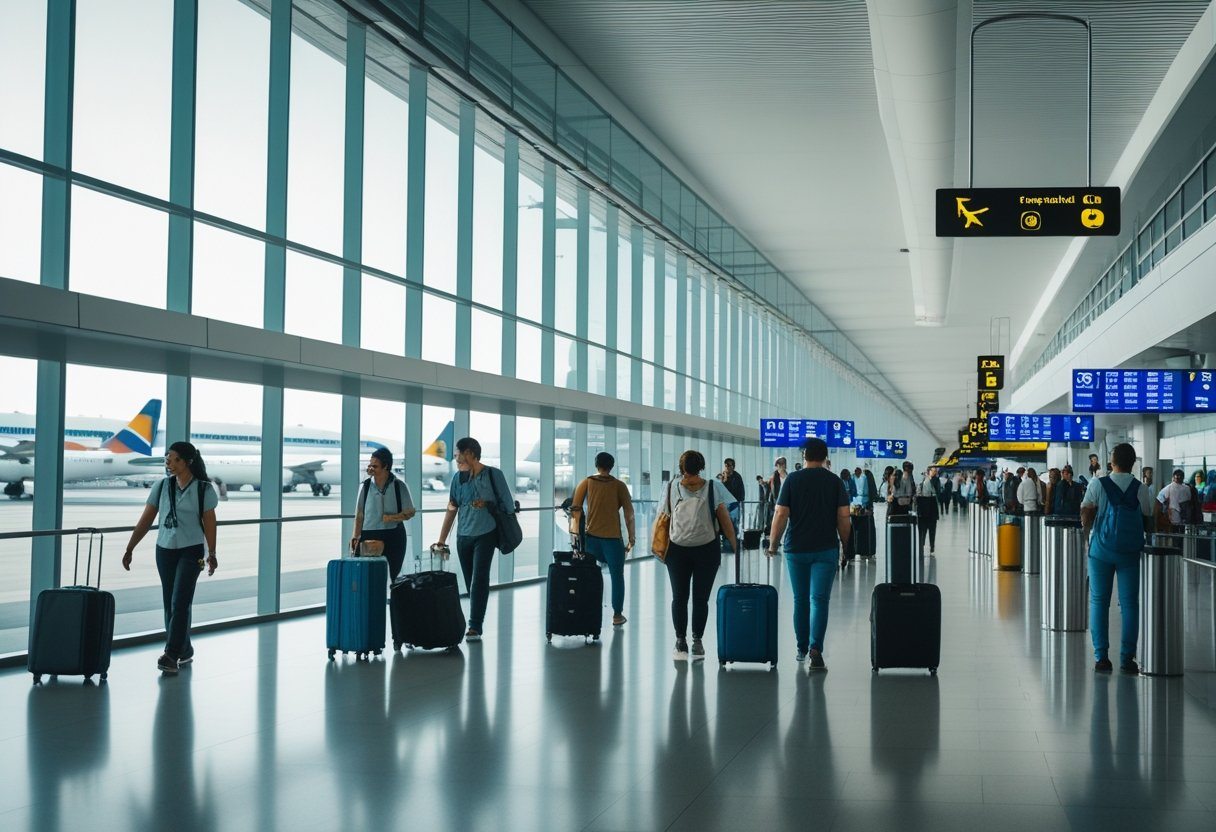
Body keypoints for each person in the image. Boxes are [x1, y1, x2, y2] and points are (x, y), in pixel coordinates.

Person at [122, 441, 219, 675]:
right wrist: (130, 547)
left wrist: (212, 553)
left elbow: (210, 523)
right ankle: (184, 650)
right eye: (167, 459)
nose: (169, 463)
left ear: (188, 462)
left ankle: (171, 654)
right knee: (170, 603)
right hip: (165, 549)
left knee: (180, 602)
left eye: (175, 459)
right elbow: (146, 519)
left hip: (192, 550)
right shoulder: (161, 486)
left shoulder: (203, 489)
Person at [766, 437, 850, 669]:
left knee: (800, 599)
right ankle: (816, 649)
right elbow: (843, 516)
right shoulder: (835, 482)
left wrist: (773, 545)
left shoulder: (792, 479)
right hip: (826, 548)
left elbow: (781, 514)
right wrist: (846, 544)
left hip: (796, 549)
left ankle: (801, 647)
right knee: (819, 600)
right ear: (825, 458)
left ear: (804, 456)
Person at [433, 437, 515, 642]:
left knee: (479, 578)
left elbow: (508, 506)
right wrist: (442, 540)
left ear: (470, 453)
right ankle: (475, 617)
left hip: (486, 534)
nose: (456, 459)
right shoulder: (457, 479)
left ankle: (475, 625)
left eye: (458, 454)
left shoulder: (493, 475)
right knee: (471, 582)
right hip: (463, 536)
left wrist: (487, 504)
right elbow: (452, 508)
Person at [1081, 443, 1151, 674]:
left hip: (1100, 551)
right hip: (1130, 553)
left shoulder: (1097, 484)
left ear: (1112, 461)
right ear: (1133, 464)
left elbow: (1086, 513)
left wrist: (1087, 535)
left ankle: (1102, 657)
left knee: (1099, 602)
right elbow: (1150, 516)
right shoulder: (1141, 489)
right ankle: (1127, 658)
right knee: (1129, 605)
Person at [663, 450, 737, 660]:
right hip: (707, 549)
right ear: (701, 466)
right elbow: (725, 520)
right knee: (700, 598)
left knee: (679, 597)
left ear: (681, 467)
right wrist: (734, 545)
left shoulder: (670, 487)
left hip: (677, 549)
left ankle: (680, 641)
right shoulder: (713, 486)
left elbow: (663, 517)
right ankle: (697, 641)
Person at [571, 452, 635, 627]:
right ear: (612, 466)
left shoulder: (586, 482)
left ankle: (590, 610)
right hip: (613, 540)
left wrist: (575, 539)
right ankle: (617, 615)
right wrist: (631, 537)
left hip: (591, 539)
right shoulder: (620, 486)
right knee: (617, 577)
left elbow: (575, 510)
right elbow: (629, 514)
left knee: (590, 575)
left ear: (596, 464)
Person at [350, 447, 415, 581]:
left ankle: (391, 601)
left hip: (394, 535)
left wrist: (391, 518)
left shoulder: (399, 486)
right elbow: (359, 514)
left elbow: (409, 512)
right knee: (368, 576)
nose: (371, 469)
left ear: (386, 466)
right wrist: (355, 536)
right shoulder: (365, 486)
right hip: (369, 533)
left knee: (392, 575)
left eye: (375, 466)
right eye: (370, 465)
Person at [716, 457, 746, 548]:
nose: (727, 468)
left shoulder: (737, 477)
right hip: (724, 504)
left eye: (729, 466)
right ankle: (725, 542)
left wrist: (740, 502)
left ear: (733, 466)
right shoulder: (722, 476)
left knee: (733, 523)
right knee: (723, 523)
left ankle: (732, 543)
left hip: (734, 503)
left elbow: (740, 491)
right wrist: (724, 479)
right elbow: (719, 489)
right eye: (726, 466)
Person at [914, 467, 940, 555]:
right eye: (933, 471)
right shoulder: (921, 484)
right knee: (923, 530)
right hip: (925, 510)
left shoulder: (936, 481)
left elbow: (938, 492)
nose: (935, 472)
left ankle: (931, 546)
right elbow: (917, 497)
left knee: (931, 530)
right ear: (928, 472)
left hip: (929, 510)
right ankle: (923, 545)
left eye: (936, 471)